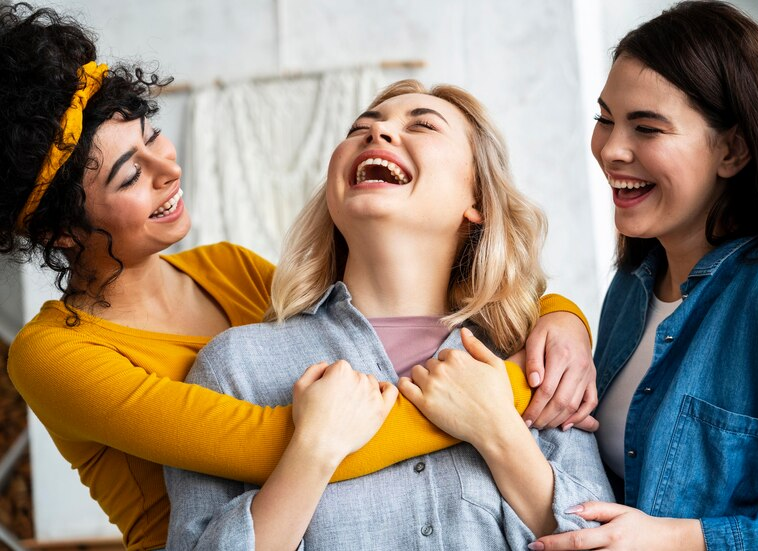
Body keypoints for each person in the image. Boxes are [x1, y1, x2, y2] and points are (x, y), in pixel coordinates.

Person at [0, 4, 597, 550]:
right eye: (129, 176)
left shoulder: (228, 269)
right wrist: (510, 398)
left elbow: (362, 290)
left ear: (478, 200)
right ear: (60, 232)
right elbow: (265, 443)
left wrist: (561, 316)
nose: (168, 169)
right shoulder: (55, 355)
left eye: (153, 135)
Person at [164, 79, 613, 550]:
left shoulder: (536, 358)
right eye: (360, 128)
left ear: (476, 200)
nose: (376, 135)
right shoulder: (239, 365)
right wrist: (312, 452)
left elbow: (609, 542)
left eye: (422, 125)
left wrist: (500, 433)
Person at [531, 1, 758, 550]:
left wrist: (688, 539)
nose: (611, 149)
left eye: (647, 127)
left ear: (732, 149)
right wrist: (562, 315)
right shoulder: (633, 284)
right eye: (605, 119)